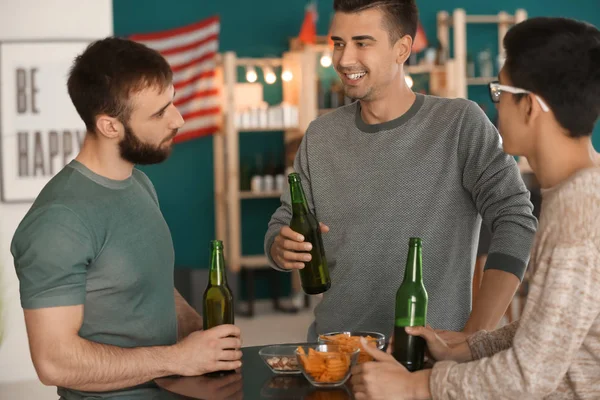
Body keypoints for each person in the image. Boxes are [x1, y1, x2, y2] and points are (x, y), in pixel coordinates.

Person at [351, 16, 600, 400]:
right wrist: (467, 347)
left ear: (531, 107)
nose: (495, 105)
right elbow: (552, 328)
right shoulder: (580, 192)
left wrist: (417, 387)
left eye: (500, 92)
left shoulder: (577, 213)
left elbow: (529, 374)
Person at [264, 0, 537, 342]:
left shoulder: (459, 124)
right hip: (336, 349)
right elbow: (284, 219)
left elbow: (516, 218)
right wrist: (279, 246)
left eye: (362, 43)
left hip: (429, 355)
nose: (344, 59)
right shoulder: (320, 136)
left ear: (402, 49)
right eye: (338, 43)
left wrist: (474, 336)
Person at [10, 37, 243, 399]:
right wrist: (178, 358)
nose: (178, 119)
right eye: (159, 112)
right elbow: (54, 362)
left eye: (172, 102)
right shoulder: (58, 221)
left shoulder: (138, 183)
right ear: (109, 127)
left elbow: (152, 285)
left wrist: (197, 331)